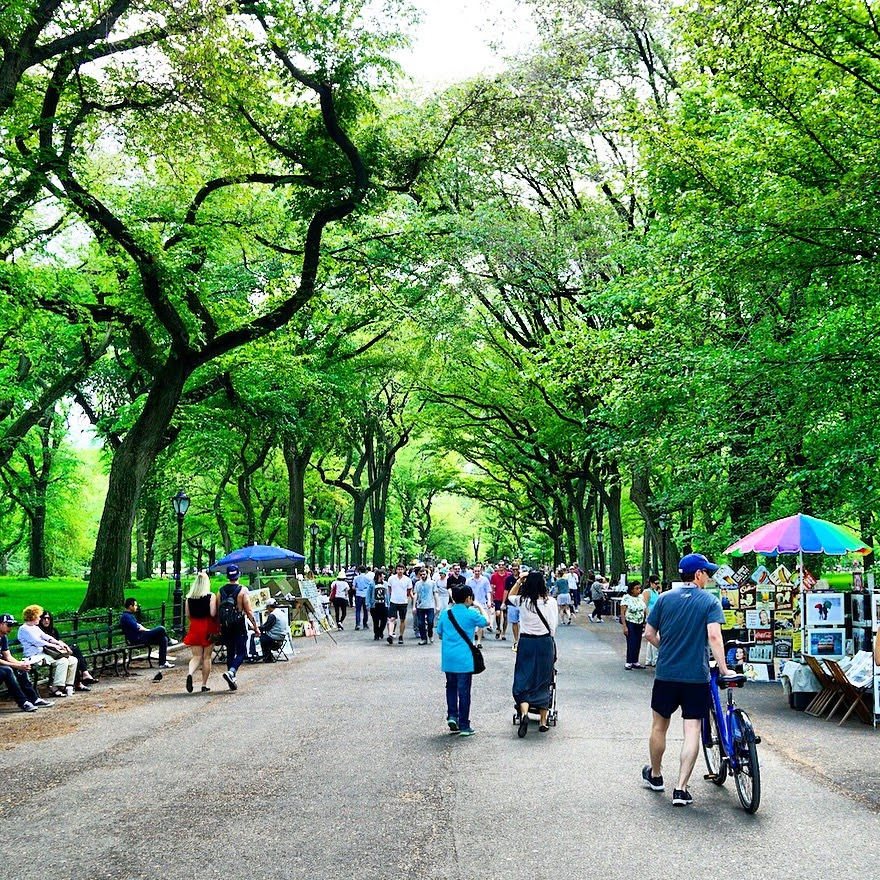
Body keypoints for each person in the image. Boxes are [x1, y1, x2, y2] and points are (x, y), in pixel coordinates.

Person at [642, 553, 731, 807]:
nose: (709, 578)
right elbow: (714, 637)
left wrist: (666, 647)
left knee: (659, 726)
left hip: (666, 674)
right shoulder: (709, 602)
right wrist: (723, 669)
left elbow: (649, 633)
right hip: (696, 676)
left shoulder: (664, 599)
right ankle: (680, 788)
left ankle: (656, 776)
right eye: (708, 573)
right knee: (691, 730)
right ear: (699, 575)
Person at [508, 571, 558, 736]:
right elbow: (553, 625)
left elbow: (510, 596)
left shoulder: (523, 601)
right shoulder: (550, 602)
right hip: (544, 642)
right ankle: (543, 721)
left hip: (526, 642)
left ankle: (524, 712)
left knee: (523, 676)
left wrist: (519, 581)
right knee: (543, 679)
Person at [436, 584, 489, 737]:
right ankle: (465, 725)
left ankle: (452, 716)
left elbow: (439, 633)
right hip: (465, 659)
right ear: (468, 598)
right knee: (464, 691)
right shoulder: (471, 613)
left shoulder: (446, 613)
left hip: (448, 658)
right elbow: (486, 622)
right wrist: (480, 607)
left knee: (450, 687)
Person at [18, 604, 79, 697]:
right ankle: (56, 687)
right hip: (35, 655)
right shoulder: (24, 629)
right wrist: (55, 646)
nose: (40, 618)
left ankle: (68, 685)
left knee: (73, 660)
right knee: (62, 661)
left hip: (43, 653)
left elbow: (46, 637)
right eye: (39, 616)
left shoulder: (35, 627)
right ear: (33, 616)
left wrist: (59, 643)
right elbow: (37, 641)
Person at [218, 565, 260, 691]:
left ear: (227, 575)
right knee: (242, 651)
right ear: (239, 575)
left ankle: (232, 677)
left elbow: (218, 608)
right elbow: (249, 610)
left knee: (230, 650)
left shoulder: (221, 591)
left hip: (226, 625)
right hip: (239, 623)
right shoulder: (243, 590)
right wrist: (255, 627)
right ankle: (232, 672)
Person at [0, 613, 53, 712]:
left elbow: (7, 656)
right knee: (7, 670)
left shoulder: (3, 638)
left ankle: (34, 699)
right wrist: (17, 665)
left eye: (12, 625)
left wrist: (21, 665)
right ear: (0, 624)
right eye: (9, 625)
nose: (11, 628)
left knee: (20, 668)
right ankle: (23, 702)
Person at [38, 610, 98, 688]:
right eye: (44, 618)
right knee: (73, 653)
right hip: (50, 652)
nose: (46, 620)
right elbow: (46, 644)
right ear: (40, 619)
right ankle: (82, 676)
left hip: (58, 650)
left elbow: (58, 640)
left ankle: (81, 678)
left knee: (74, 654)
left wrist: (65, 646)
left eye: (48, 618)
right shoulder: (39, 630)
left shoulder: (53, 630)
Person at [182, 571, 219, 692]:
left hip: (195, 627)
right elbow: (213, 613)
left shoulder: (189, 598)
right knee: (207, 657)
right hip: (209, 627)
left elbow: (187, 614)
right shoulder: (210, 596)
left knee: (196, 656)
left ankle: (190, 673)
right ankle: (204, 684)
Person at [120, 598, 176, 673]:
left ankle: (162, 663)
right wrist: (148, 631)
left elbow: (138, 625)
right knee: (161, 629)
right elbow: (137, 628)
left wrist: (145, 630)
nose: (136, 607)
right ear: (130, 606)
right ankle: (170, 640)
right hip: (137, 639)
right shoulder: (126, 617)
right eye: (135, 605)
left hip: (141, 636)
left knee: (163, 639)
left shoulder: (129, 615)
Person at [620, 580, 646, 669]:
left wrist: (645, 621)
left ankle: (635, 660)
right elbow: (623, 612)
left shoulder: (641, 597)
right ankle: (629, 661)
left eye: (639, 588)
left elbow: (644, 609)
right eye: (636, 588)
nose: (639, 590)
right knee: (631, 641)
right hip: (630, 621)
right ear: (632, 589)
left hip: (639, 621)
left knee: (638, 641)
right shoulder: (626, 598)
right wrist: (624, 626)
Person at [466, 563, 492, 648]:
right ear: (473, 571)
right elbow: (466, 592)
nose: (477, 573)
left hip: (482, 603)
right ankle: (472, 641)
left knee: (481, 623)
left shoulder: (485, 580)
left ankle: (479, 642)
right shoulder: (469, 581)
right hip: (471, 604)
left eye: (478, 571)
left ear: (481, 571)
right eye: (475, 571)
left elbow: (488, 591)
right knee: (472, 623)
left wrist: (489, 601)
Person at [387, 563, 412, 645]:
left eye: (401, 569)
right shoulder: (391, 578)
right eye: (398, 569)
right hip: (394, 601)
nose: (400, 571)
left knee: (402, 619)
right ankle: (390, 635)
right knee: (392, 618)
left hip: (403, 602)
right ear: (396, 570)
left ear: (404, 570)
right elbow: (389, 588)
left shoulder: (407, 580)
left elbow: (409, 591)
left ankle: (401, 635)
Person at [413, 567, 439, 644]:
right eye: (421, 574)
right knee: (421, 623)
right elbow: (416, 594)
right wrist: (414, 606)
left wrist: (437, 605)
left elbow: (435, 594)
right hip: (420, 606)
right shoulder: (418, 584)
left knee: (430, 621)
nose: (423, 576)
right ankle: (423, 638)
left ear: (427, 574)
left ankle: (430, 634)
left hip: (430, 605)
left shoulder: (432, 583)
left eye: (424, 574)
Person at [642, 575, 661, 667]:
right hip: (650, 616)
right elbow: (644, 605)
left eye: (658, 583)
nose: (657, 585)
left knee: (651, 639)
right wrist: (648, 616)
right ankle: (654, 659)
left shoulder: (656, 592)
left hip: (656, 615)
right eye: (655, 583)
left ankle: (649, 659)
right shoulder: (647, 592)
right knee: (654, 636)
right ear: (651, 583)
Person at [504, 561, 523, 651]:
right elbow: (506, 591)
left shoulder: (523, 578)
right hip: (511, 603)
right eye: (513, 569)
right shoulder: (508, 579)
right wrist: (504, 602)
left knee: (523, 622)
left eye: (516, 569)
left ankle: (523, 640)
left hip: (522, 602)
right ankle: (516, 640)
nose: (515, 571)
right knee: (514, 622)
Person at [367, 570, 389, 640]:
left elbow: (387, 594)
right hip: (375, 605)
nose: (384, 576)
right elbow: (368, 594)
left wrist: (388, 604)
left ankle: (380, 631)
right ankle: (376, 634)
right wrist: (368, 604)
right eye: (383, 574)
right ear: (379, 575)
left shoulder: (385, 584)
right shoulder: (372, 584)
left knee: (384, 620)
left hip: (383, 604)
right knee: (375, 621)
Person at [489, 561, 509, 640]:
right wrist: (491, 599)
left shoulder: (508, 575)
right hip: (497, 597)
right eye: (499, 565)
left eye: (502, 565)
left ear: (505, 566)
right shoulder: (494, 576)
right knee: (497, 614)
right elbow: (492, 588)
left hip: (507, 598)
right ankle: (498, 628)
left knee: (505, 616)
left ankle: (503, 632)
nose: (501, 566)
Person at [353, 566, 373, 631]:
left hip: (358, 594)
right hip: (365, 595)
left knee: (358, 610)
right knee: (365, 610)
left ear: (359, 571)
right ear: (365, 571)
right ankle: (365, 624)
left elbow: (353, 587)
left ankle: (357, 624)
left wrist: (357, 588)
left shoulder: (356, 578)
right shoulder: (368, 578)